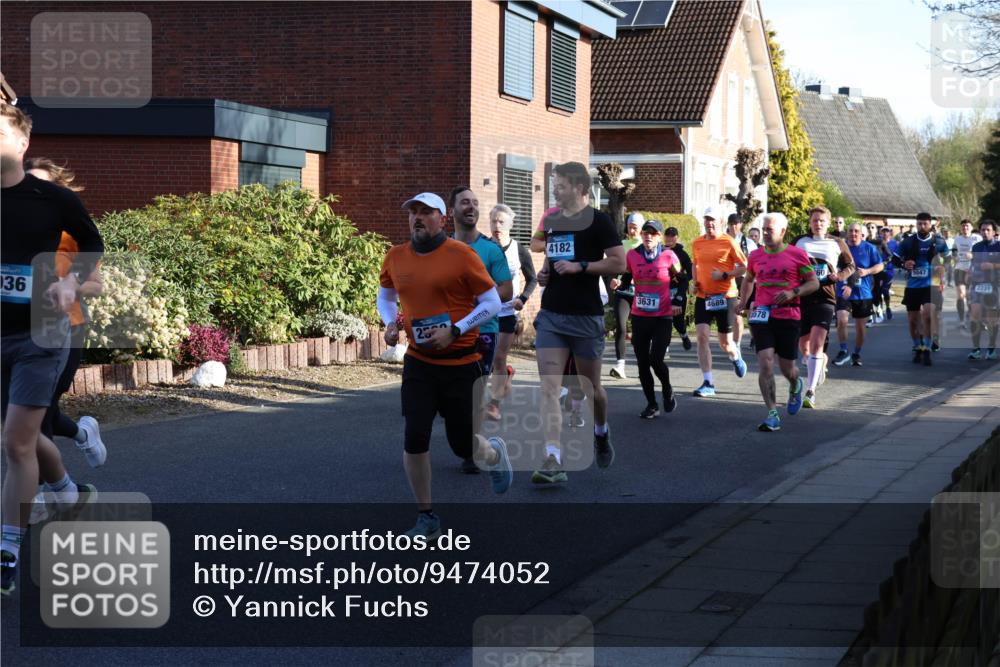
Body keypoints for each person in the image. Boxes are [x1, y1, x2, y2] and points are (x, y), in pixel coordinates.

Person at [1, 103, 104, 595]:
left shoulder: (53, 201)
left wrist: (70, 284)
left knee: (19, 439)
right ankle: (65, 490)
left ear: (21, 143)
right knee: (15, 433)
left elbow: (93, 256)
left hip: (45, 333)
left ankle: (8, 549)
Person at [378, 192, 512, 538]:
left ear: (442, 218)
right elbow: (386, 295)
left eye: (426, 212)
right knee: (415, 436)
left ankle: (492, 454)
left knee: (462, 445)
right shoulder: (396, 256)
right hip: (419, 363)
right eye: (413, 212)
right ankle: (427, 516)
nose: (417, 218)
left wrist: (456, 330)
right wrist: (390, 323)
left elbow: (493, 302)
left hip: (461, 361)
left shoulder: (461, 255)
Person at [531, 161, 625, 484]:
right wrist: (546, 273)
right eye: (555, 184)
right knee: (549, 388)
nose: (555, 190)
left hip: (586, 316)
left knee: (592, 389)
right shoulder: (553, 221)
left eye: (561, 185)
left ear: (581, 190)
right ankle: (552, 458)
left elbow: (619, 262)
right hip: (552, 315)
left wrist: (581, 266)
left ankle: (601, 432)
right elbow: (552, 258)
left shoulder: (599, 222)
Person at [448, 188, 512, 474]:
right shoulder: (442, 247)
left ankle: (473, 450)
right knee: (450, 395)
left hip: (482, 331)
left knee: (473, 392)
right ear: (452, 211)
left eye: (474, 203)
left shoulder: (490, 249)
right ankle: (472, 442)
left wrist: (476, 301)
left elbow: (507, 289)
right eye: (464, 203)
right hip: (446, 331)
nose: (470, 207)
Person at [738, 212, 819, 432]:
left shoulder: (796, 255)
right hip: (762, 315)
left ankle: (795, 384)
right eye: (763, 229)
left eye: (769, 230)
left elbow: (813, 283)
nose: (765, 233)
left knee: (787, 368)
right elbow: (748, 280)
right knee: (765, 362)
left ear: (782, 232)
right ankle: (772, 413)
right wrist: (743, 301)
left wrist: (794, 292)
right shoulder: (755, 256)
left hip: (788, 316)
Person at [618, 220, 682, 418]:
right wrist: (619, 282)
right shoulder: (632, 255)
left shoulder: (669, 256)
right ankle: (652, 404)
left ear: (660, 237)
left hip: (662, 316)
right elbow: (627, 279)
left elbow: (682, 280)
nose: (648, 236)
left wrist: (677, 300)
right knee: (642, 362)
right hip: (640, 316)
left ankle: (667, 389)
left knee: (656, 359)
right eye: (645, 232)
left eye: (653, 234)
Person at [794, 207, 854, 408]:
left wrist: (840, 276)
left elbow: (850, 266)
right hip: (803, 297)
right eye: (814, 220)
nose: (818, 223)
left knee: (817, 343)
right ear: (810, 222)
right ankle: (819, 362)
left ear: (828, 223)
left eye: (821, 220)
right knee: (805, 347)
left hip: (825, 298)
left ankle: (810, 392)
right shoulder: (800, 241)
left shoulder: (837, 242)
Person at [485, 204, 537, 423]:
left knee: (498, 356)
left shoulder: (519, 250)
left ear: (510, 225)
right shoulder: (483, 246)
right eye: (494, 221)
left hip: (507, 311)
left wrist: (522, 298)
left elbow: (532, 278)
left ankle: (494, 405)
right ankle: (504, 372)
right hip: (484, 311)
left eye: (502, 222)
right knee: (483, 359)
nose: (498, 226)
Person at [690, 206, 748, 397]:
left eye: (713, 219)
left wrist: (724, 274)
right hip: (703, 297)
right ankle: (708, 382)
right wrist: (695, 282)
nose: (709, 223)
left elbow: (744, 267)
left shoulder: (729, 241)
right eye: (707, 219)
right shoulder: (697, 243)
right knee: (702, 336)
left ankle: (735, 355)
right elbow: (695, 263)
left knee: (726, 343)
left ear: (721, 222)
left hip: (726, 297)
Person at [895, 212, 950, 366]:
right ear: (916, 224)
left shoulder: (938, 241)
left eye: (925, 224)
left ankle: (926, 347)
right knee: (913, 320)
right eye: (919, 223)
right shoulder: (908, 242)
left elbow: (949, 259)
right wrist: (903, 265)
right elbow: (894, 259)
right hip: (913, 285)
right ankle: (918, 346)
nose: (922, 226)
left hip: (931, 284)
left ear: (930, 224)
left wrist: (943, 267)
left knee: (927, 314)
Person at [834, 223, 884, 366]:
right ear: (847, 233)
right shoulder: (840, 248)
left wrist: (867, 271)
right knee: (842, 319)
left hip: (863, 293)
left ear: (862, 234)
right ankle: (843, 350)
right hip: (843, 291)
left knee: (860, 329)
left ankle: (856, 353)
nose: (853, 234)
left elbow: (880, 265)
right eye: (850, 231)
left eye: (856, 231)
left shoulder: (869, 248)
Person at [608, 213, 644, 379]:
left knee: (640, 330)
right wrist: (614, 279)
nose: (632, 231)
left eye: (635, 228)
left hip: (641, 292)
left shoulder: (646, 245)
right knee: (621, 327)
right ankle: (620, 366)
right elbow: (613, 265)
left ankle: (643, 363)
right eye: (630, 227)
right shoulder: (622, 244)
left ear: (641, 229)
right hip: (623, 290)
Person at [967, 219, 1000, 360]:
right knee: (975, 315)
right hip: (977, 285)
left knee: (992, 319)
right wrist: (969, 273)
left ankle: (991, 348)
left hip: (993, 285)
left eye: (988, 230)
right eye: (983, 230)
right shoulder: (976, 247)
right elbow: (974, 264)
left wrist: (993, 266)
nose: (985, 232)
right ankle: (976, 349)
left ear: (994, 232)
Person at [727, 213, 758, 350]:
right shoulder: (723, 240)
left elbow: (756, 262)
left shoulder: (749, 243)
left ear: (740, 225)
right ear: (728, 225)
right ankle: (737, 345)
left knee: (751, 314)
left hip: (747, 279)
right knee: (737, 314)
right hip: (731, 279)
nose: (734, 227)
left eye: (736, 224)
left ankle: (754, 336)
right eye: (731, 224)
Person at [662, 227, 693, 355]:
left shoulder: (682, 254)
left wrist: (681, 277)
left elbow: (691, 273)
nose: (670, 238)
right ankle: (665, 348)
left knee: (678, 321)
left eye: (672, 236)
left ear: (677, 238)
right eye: (668, 236)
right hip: (663, 291)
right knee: (665, 320)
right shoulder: (659, 251)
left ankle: (684, 335)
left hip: (678, 291)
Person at [953, 219, 982, 330]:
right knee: (960, 295)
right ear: (961, 228)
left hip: (973, 270)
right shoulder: (957, 238)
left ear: (971, 227)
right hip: (959, 269)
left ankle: (970, 315)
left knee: (971, 296)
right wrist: (954, 256)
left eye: (967, 226)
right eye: (963, 226)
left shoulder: (977, 238)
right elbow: (954, 250)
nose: (965, 228)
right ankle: (961, 321)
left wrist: (973, 256)